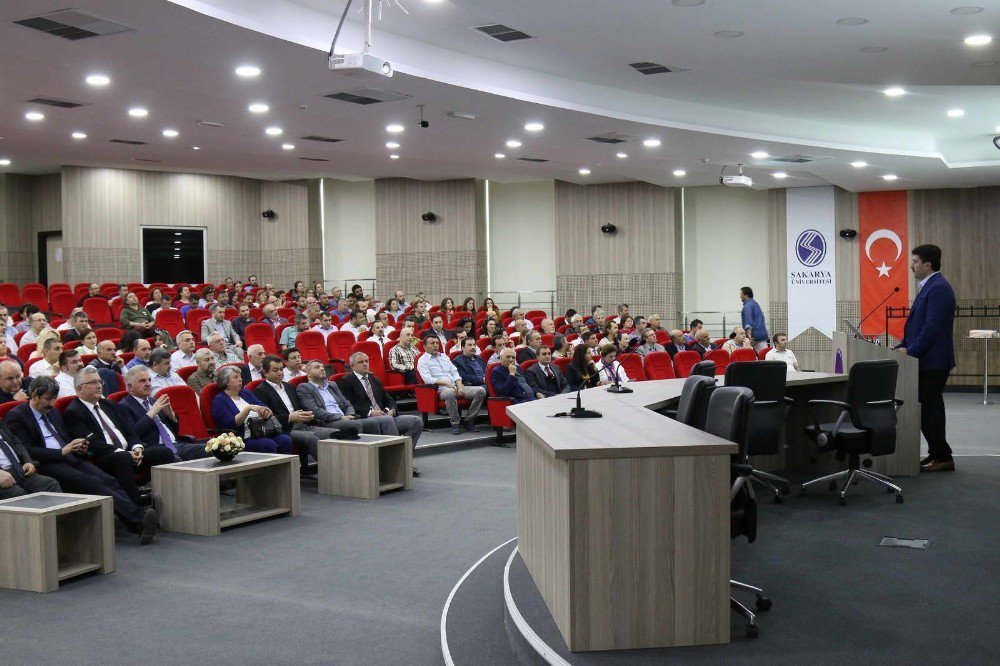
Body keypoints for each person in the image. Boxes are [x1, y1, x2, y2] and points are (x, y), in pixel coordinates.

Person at [6, 377, 158, 543]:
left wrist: (79, 446)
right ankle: (138, 520)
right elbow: (25, 449)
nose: (52, 403)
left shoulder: (53, 412)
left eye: (54, 398)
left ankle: (138, 520)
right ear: (34, 396)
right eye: (48, 399)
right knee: (92, 483)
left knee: (107, 480)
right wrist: (61, 452)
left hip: (71, 457)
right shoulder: (17, 416)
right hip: (48, 463)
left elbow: (65, 437)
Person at [65, 366, 177, 503]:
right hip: (105, 457)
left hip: (129, 453)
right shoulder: (74, 411)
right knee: (122, 458)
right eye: (93, 382)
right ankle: (136, 508)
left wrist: (137, 447)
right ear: (79, 388)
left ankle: (169, 502)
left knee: (164, 452)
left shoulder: (109, 404)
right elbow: (93, 443)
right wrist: (123, 452)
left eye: (100, 382)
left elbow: (129, 431)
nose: (99, 386)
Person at [896, 244, 956, 473]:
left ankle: (942, 456)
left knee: (930, 410)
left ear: (927, 264)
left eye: (915, 261)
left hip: (934, 361)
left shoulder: (938, 288)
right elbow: (917, 325)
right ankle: (937, 453)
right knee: (927, 409)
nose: (912, 266)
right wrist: (903, 345)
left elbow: (931, 328)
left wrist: (910, 353)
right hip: (927, 360)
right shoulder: (929, 286)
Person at [337, 352, 424, 473]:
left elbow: (389, 399)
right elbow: (348, 405)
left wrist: (391, 410)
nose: (365, 364)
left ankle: (404, 457)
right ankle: (399, 464)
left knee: (416, 421)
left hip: (386, 416)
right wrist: (370, 412)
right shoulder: (345, 382)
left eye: (366, 361)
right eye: (361, 362)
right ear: (352, 366)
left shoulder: (374, 379)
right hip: (366, 418)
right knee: (387, 420)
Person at [253, 355, 341, 467]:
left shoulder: (289, 386)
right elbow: (267, 418)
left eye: (281, 369)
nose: (280, 372)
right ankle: (330, 469)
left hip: (303, 425)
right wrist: (289, 418)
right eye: (275, 370)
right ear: (265, 373)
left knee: (334, 433)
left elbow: (299, 407)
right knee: (310, 438)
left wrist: (306, 414)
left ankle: (339, 466)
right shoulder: (260, 391)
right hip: (285, 429)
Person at [117, 366, 209, 460]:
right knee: (176, 459)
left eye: (149, 380)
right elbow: (133, 434)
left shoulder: (154, 401)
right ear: (130, 387)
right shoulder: (123, 406)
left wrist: (172, 417)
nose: (148, 384)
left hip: (176, 445)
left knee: (212, 448)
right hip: (155, 450)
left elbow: (175, 432)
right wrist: (151, 414)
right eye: (142, 381)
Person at [210, 366, 293, 453]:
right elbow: (230, 424)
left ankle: (284, 467)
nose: (240, 379)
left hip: (262, 431)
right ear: (226, 382)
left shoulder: (245, 393)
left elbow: (263, 406)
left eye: (240, 376)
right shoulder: (219, 400)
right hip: (242, 437)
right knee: (268, 444)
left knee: (285, 440)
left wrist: (266, 411)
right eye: (235, 377)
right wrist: (248, 409)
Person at [416, 334, 486, 435]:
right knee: (449, 392)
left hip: (455, 385)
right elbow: (427, 379)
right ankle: (455, 422)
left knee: (481, 391)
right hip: (440, 389)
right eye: (432, 343)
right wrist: (446, 383)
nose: (436, 345)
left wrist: (460, 386)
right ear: (425, 347)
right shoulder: (422, 360)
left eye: (437, 343)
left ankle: (469, 419)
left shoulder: (444, 356)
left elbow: (454, 372)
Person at [0, 417, 62, 500]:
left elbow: (15, 441)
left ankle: (58, 513)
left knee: (50, 484)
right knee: (18, 494)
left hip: (19, 470)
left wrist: (28, 461)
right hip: (2, 474)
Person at [740, 286, 769, 353]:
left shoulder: (748, 306)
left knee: (761, 357)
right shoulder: (755, 304)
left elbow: (748, 322)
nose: (740, 296)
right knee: (764, 355)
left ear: (746, 295)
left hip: (754, 337)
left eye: (741, 294)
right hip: (762, 334)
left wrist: (749, 336)